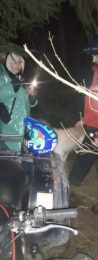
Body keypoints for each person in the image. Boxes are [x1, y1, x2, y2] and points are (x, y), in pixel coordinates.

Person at [0, 52, 38, 151]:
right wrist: (15, 83)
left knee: (21, 159)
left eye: (19, 62)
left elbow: (28, 104)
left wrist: (32, 96)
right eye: (14, 62)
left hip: (24, 127)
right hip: (8, 128)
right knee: (9, 159)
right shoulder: (2, 78)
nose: (17, 65)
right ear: (8, 63)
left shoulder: (22, 81)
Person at [68, 35, 98, 213]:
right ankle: (71, 186)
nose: (93, 59)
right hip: (93, 125)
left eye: (96, 55)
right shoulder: (94, 72)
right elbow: (91, 101)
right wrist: (85, 119)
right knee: (85, 154)